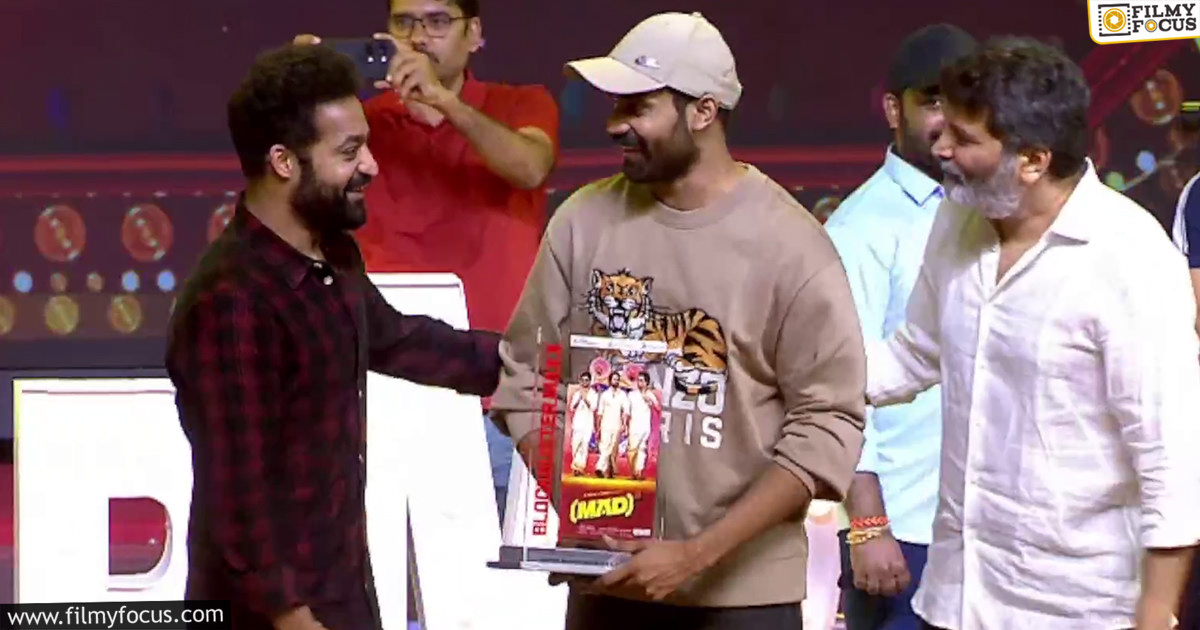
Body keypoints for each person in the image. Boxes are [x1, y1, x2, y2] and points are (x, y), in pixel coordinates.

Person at [488, 12, 867, 630]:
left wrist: (695, 556)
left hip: (743, 600)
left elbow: (827, 424)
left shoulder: (791, 245)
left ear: (703, 111)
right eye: (615, 106)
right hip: (608, 590)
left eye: (638, 107)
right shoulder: (582, 222)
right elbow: (527, 380)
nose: (615, 124)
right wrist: (580, 511)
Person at [866, 37, 1200, 629]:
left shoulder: (1130, 258)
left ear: (1033, 160)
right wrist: (782, 374)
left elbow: (1170, 459)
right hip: (952, 600)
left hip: (1076, 611)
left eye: (964, 138)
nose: (940, 147)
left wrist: (1156, 613)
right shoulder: (958, 217)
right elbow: (914, 353)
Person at [165, 44, 503, 630]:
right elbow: (239, 495)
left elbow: (399, 340)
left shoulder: (333, 255)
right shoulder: (232, 300)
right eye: (349, 152)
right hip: (273, 614)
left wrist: (531, 361)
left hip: (344, 590)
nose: (371, 166)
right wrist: (293, 616)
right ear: (283, 161)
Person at [295, 0, 560, 521]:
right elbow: (297, 193)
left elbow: (530, 167)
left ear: (474, 33)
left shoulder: (521, 104)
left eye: (437, 22)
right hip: (384, 393)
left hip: (499, 395)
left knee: (508, 564)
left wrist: (443, 100)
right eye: (404, 23)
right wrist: (299, 94)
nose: (418, 37)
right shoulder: (359, 125)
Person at [823, 23, 976, 630]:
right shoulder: (860, 228)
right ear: (894, 110)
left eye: (965, 100)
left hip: (992, 532)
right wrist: (867, 523)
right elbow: (840, 384)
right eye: (933, 100)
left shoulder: (993, 211)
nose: (949, 120)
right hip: (902, 531)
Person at [594, 370, 629, 478]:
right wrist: (598, 427)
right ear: (610, 381)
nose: (616, 381)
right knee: (605, 446)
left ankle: (606, 470)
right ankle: (600, 468)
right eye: (614, 379)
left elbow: (626, 411)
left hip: (617, 424)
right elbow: (600, 412)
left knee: (612, 447)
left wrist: (624, 424)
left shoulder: (622, 395)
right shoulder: (605, 395)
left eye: (618, 380)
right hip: (605, 424)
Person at [625, 371, 659, 480]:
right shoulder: (632, 395)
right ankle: (634, 471)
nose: (639, 383)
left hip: (645, 427)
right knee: (632, 450)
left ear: (646, 383)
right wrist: (625, 424)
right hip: (634, 426)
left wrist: (650, 401)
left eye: (641, 381)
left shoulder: (650, 395)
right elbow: (627, 411)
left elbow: (658, 408)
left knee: (642, 449)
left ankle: (638, 472)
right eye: (638, 380)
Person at [568, 370, 599, 475]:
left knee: (584, 446)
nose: (584, 382)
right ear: (580, 381)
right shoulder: (577, 394)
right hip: (577, 423)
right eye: (583, 380)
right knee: (575, 445)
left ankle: (579, 468)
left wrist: (585, 398)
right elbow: (572, 408)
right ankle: (576, 466)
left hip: (587, 424)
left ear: (590, 381)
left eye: (587, 380)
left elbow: (593, 407)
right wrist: (579, 399)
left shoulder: (593, 394)